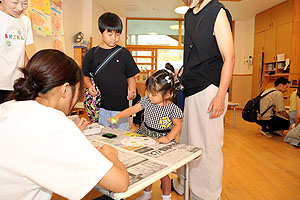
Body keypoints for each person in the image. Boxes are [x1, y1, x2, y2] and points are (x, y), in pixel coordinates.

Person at [0, 49, 129, 200]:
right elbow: (120, 183)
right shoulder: (54, 123)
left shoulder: (8, 106)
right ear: (65, 90)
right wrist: (111, 155)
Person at [172, 0, 235, 200]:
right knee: (189, 144)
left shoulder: (216, 11)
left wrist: (220, 95)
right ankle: (187, 185)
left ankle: (207, 195)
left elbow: (230, 57)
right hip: (191, 88)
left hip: (210, 88)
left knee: (207, 147)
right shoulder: (189, 15)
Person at [109, 69, 183, 200]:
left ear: (167, 94)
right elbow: (132, 109)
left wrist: (169, 138)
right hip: (145, 135)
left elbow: (177, 125)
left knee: (163, 173)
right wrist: (118, 116)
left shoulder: (173, 109)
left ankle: (166, 196)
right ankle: (146, 194)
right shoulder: (147, 101)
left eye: (153, 94)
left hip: (162, 139)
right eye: (148, 92)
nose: (149, 95)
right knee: (146, 169)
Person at [82, 12, 139, 131]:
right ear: (100, 32)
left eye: (117, 34)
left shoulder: (124, 54)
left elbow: (131, 77)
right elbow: (85, 75)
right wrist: (89, 86)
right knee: (103, 136)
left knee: (121, 137)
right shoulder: (92, 54)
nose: (114, 38)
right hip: (101, 108)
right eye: (110, 33)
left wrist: (132, 90)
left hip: (121, 109)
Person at [0, 0, 34, 104]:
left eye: (24, 2)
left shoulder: (25, 21)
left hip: (17, 86)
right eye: (14, 2)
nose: (20, 8)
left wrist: (32, 75)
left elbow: (21, 53)